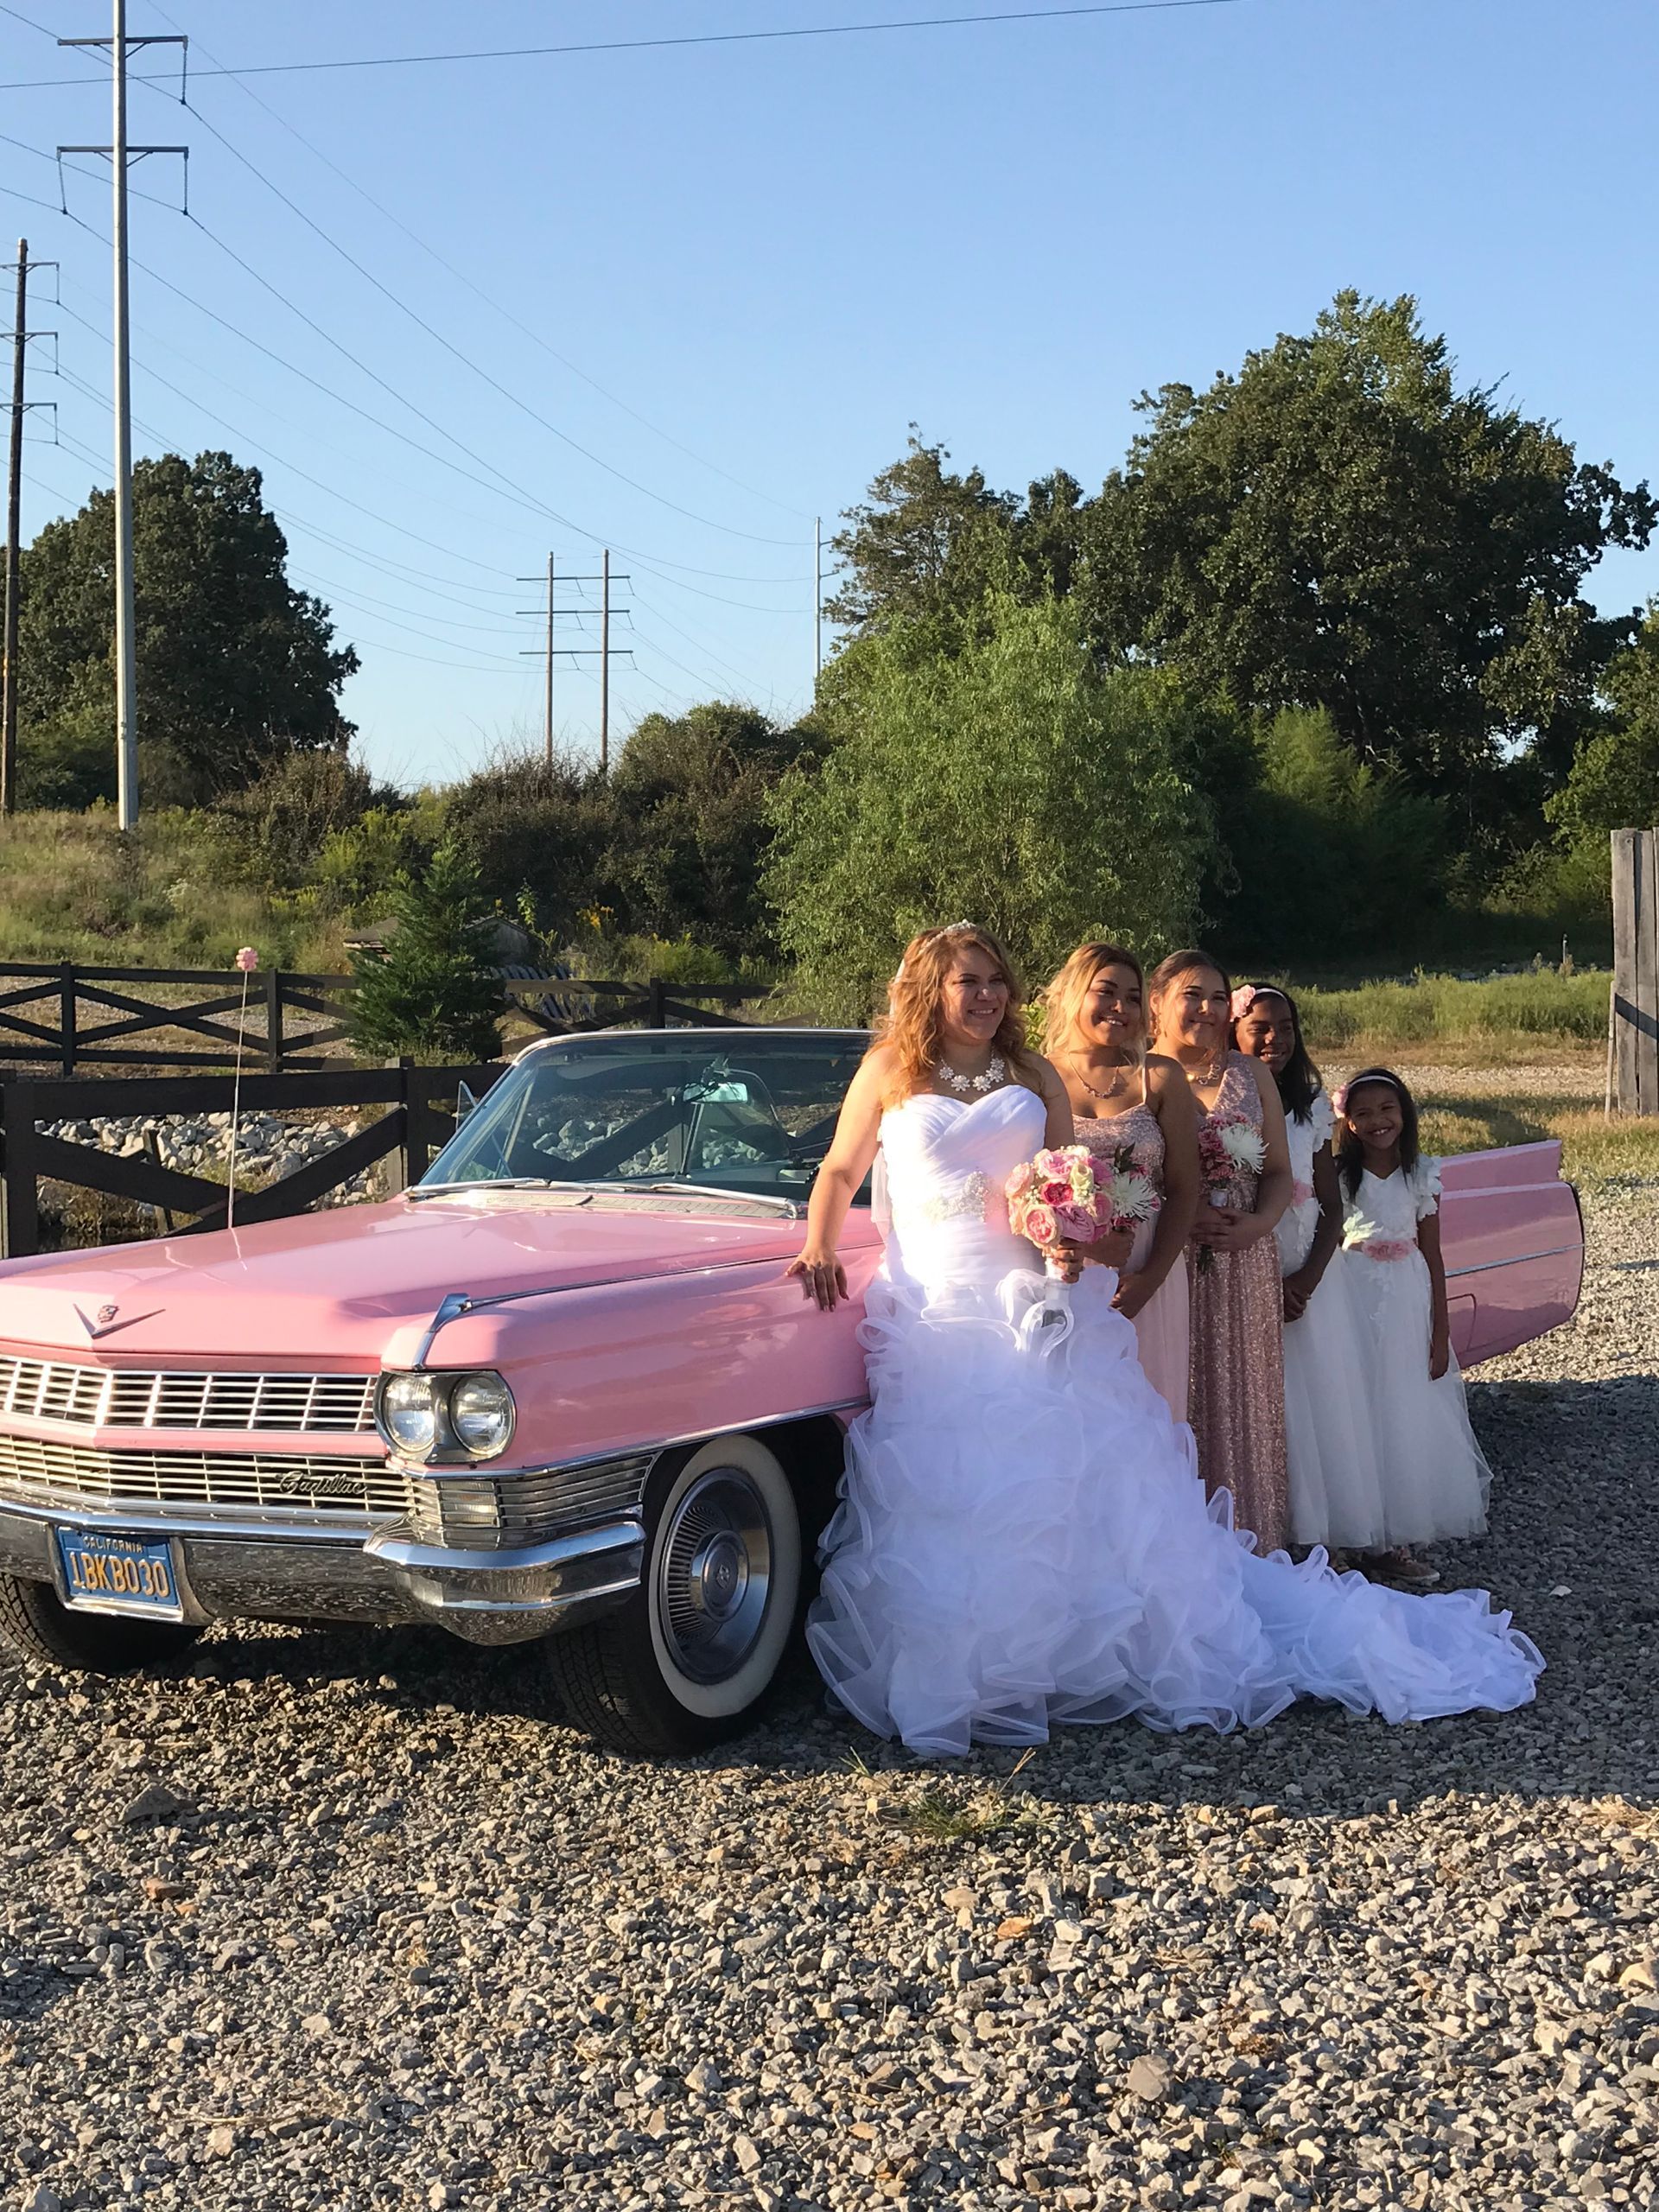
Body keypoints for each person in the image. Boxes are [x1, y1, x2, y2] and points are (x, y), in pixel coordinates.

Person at [787, 923, 1541, 1758]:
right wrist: (821, 1241)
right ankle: (983, 1661)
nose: (985, 996)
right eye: (968, 981)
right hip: (934, 1303)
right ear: (932, 987)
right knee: (956, 1480)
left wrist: (1065, 1238)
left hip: (1035, 1294)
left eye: (995, 980)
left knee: (1066, 1473)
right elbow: (840, 1171)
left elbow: (1061, 1183)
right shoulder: (893, 1069)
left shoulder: (1031, 1074)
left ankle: (1079, 1646)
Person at [1233, 985, 1392, 1569]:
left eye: (1287, 1027)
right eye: (1261, 1027)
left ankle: (1331, 1530)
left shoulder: (1309, 1106)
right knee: (1270, 1401)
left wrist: (1308, 1278)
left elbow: (1331, 1203)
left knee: (1323, 1398)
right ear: (1235, 1032)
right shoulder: (1222, 1102)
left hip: (1309, 1272)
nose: (1276, 1038)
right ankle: (1275, 1525)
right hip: (1250, 1267)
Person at [1147, 950, 1294, 1555]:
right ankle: (1173, 1555)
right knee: (1169, 1396)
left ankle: (1248, 1548)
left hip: (1241, 1262)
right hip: (1163, 1264)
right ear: (1157, 1001)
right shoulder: (1136, 1075)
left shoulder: (1249, 1076)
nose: (1206, 1009)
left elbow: (1281, 1172)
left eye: (1216, 997)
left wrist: (1257, 1224)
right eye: (1192, 995)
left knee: (1241, 1402)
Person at [1335, 1068, 1492, 1569]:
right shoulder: (1340, 1176)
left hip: (1407, 1299)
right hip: (1354, 1294)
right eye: (1363, 1113)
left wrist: (1439, 1331)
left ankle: (1394, 1535)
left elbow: (1434, 1254)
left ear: (1404, 1112)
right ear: (1349, 1122)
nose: (1377, 1121)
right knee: (1355, 1405)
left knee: (1400, 1407)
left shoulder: (1422, 1173)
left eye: (1387, 1109)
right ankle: (1350, 1526)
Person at [1045, 942, 1198, 1424]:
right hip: (1066, 1269)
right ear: (1073, 994)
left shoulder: (1162, 1076)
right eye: (1106, 992)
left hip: (1148, 1263)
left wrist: (1151, 1278)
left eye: (1133, 998)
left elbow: (1185, 1187)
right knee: (1073, 1413)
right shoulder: (1033, 1075)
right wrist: (1076, 1246)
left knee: (1150, 1407)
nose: (1121, 1008)